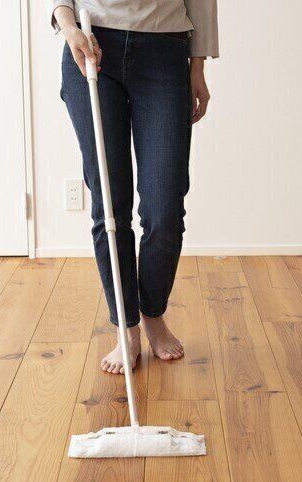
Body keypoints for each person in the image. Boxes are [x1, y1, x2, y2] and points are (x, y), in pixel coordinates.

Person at [49, 1, 218, 374]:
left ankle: (152, 313)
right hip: (91, 42)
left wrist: (197, 66)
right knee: (110, 205)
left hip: (165, 49)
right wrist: (68, 26)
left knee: (164, 208)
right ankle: (126, 327)